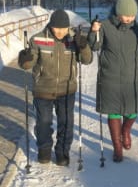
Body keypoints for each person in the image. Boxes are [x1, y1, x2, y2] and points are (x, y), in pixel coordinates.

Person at [18, 9, 93, 166]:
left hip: (67, 89)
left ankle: (62, 153)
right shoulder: (38, 39)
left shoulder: (74, 39)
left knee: (66, 123)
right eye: (56, 28)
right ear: (50, 26)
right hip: (43, 89)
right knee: (43, 122)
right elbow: (27, 64)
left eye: (63, 29)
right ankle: (44, 150)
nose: (60, 32)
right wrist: (24, 59)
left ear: (68, 27)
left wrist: (84, 46)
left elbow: (87, 60)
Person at [88, 0, 138, 162]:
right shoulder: (105, 26)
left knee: (133, 111)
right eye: (126, 15)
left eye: (132, 15)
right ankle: (117, 147)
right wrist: (94, 31)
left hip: (131, 76)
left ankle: (126, 131)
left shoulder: (137, 27)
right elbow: (95, 45)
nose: (129, 18)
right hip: (109, 76)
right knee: (113, 113)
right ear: (118, 13)